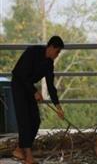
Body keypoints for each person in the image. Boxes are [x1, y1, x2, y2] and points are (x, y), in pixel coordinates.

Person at [11, 36, 65, 164]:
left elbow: (51, 86)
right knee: (25, 120)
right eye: (57, 52)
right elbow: (21, 75)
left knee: (35, 120)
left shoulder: (49, 64)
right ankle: (28, 157)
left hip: (29, 88)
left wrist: (58, 106)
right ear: (51, 47)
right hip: (19, 85)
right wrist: (35, 92)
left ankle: (19, 148)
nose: (57, 55)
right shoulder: (32, 52)